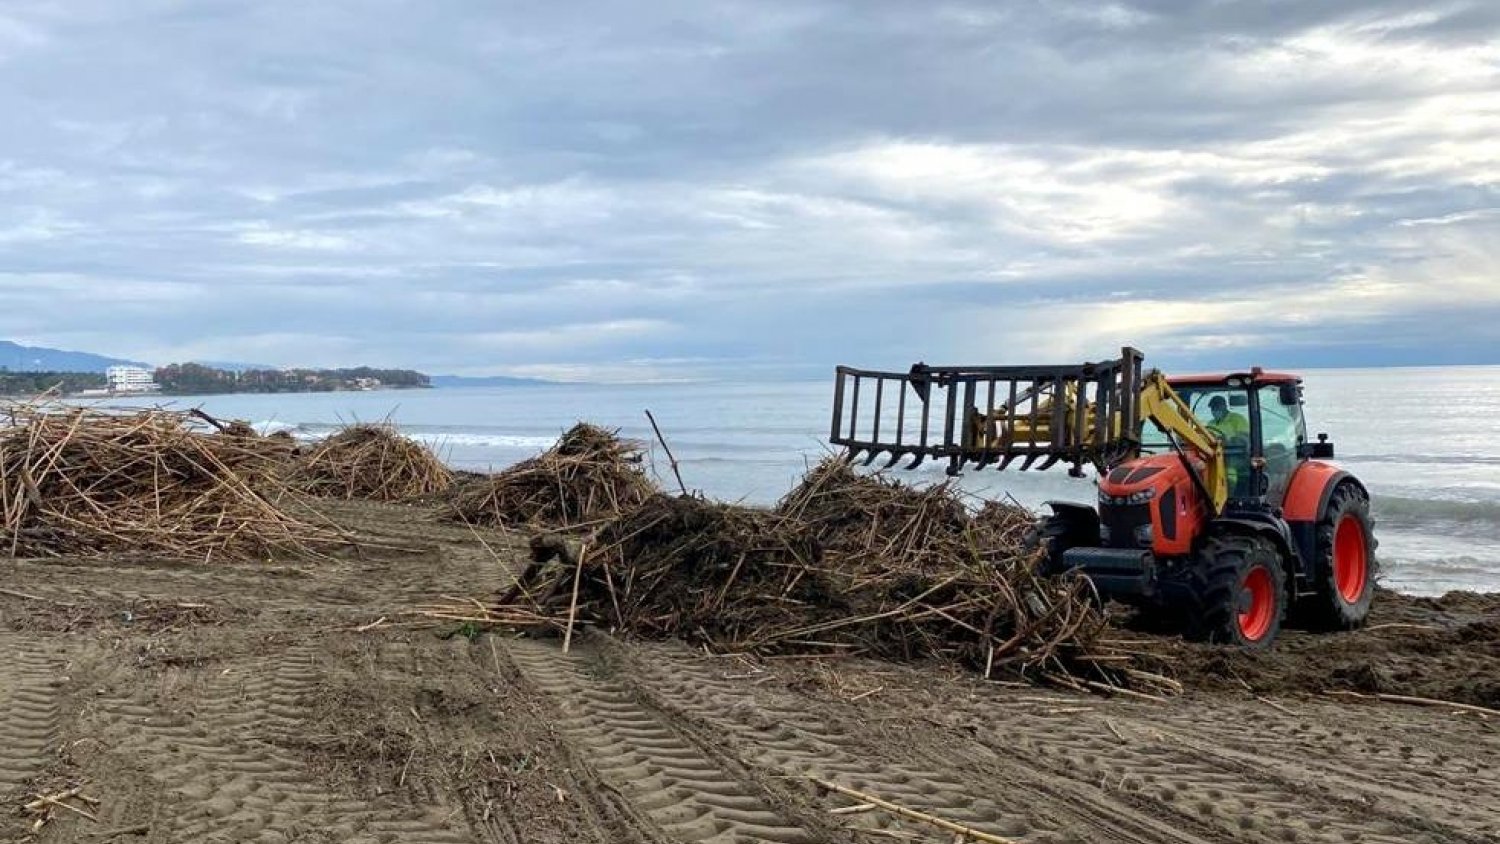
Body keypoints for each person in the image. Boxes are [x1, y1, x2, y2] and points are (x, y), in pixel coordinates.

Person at [1207, 395, 1250, 496]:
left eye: (1216, 408)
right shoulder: (1210, 423)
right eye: (1212, 409)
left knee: (1228, 468)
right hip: (1214, 455)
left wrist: (1227, 441)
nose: (1214, 411)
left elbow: (1244, 440)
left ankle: (1229, 496)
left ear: (1224, 406)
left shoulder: (1238, 419)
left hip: (1236, 456)